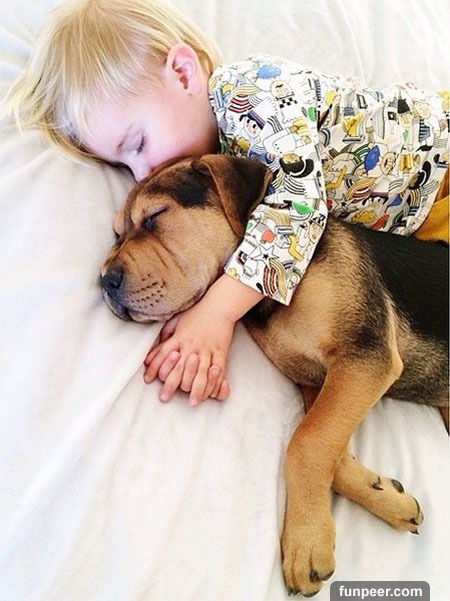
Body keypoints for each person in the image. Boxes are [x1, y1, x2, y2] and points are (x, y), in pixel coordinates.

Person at [6, 0, 449, 407]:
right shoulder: (212, 170)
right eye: (123, 165)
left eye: (137, 143)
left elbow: (297, 210)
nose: (142, 174)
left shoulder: (249, 96)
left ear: (183, 74)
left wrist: (215, 313)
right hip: (422, 216)